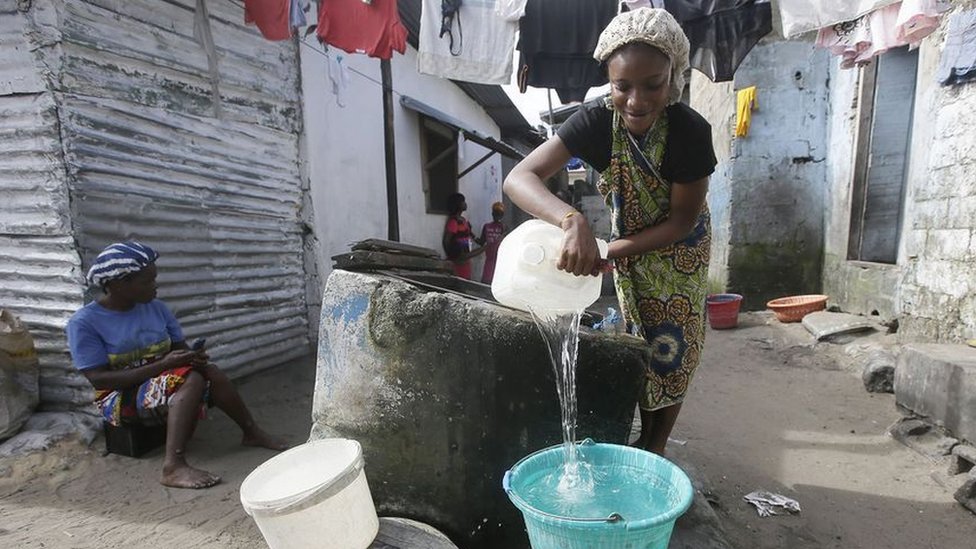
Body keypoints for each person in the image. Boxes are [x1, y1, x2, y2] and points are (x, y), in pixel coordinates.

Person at [503, 8, 716, 455]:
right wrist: (571, 220)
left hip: (680, 253)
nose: (636, 100)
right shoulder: (597, 120)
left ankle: (656, 445)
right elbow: (519, 178)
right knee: (640, 338)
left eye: (652, 85)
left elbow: (681, 221)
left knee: (674, 347)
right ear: (609, 80)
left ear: (672, 75)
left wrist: (608, 249)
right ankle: (641, 438)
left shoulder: (690, 131)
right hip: (624, 245)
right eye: (623, 86)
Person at [66, 242, 288, 489]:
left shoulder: (157, 309)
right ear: (119, 284)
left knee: (209, 371)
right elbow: (99, 380)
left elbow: (179, 350)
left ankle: (251, 431)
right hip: (118, 395)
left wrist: (193, 357)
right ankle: (173, 466)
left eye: (154, 279)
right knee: (191, 378)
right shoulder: (85, 322)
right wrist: (164, 364)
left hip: (162, 378)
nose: (155, 286)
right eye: (147, 282)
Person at [442, 192, 484, 279]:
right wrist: (453, 257)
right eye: (463, 201)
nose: (465, 203)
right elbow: (446, 241)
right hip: (458, 260)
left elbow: (470, 235)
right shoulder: (453, 222)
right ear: (458, 204)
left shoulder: (463, 221)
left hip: (466, 258)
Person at [476, 202, 507, 284]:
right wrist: (471, 234)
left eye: (499, 213)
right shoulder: (486, 226)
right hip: (489, 261)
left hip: (500, 261)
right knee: (486, 282)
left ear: (502, 215)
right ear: (492, 213)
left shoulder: (505, 227)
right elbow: (481, 242)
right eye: (496, 213)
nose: (497, 215)